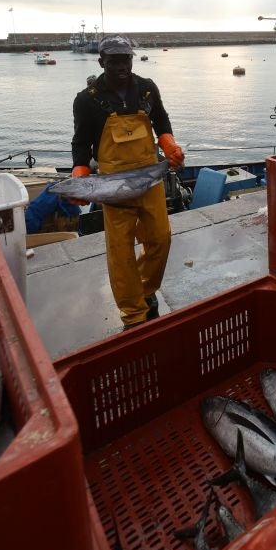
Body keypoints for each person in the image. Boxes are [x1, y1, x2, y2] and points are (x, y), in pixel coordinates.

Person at [71, 34, 185, 329]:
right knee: (120, 252)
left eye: (126, 60)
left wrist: (170, 145)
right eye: (114, 62)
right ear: (101, 63)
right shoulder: (87, 100)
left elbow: (161, 120)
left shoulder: (147, 89)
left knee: (160, 238)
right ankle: (134, 314)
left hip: (149, 178)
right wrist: (80, 173)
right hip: (114, 184)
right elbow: (81, 142)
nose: (121, 67)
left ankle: (145, 290)